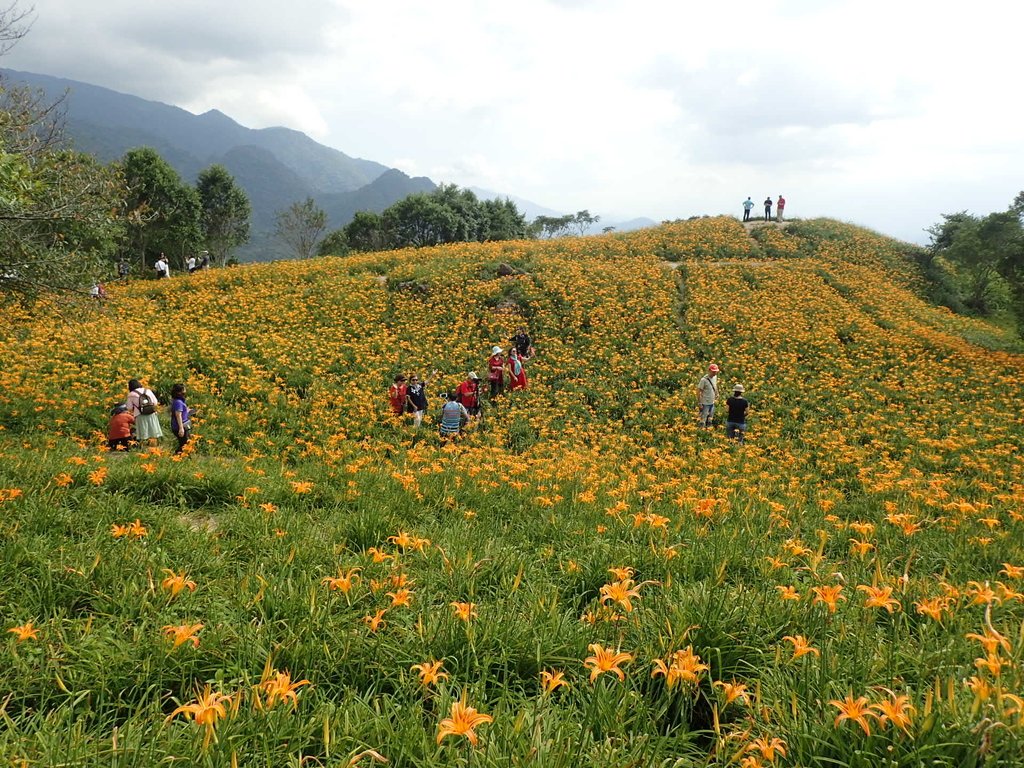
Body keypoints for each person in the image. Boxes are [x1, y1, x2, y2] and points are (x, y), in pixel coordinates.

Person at [126, 378, 162, 446]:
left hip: (140, 415)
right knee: (153, 432)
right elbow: (155, 402)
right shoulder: (147, 390)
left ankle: (144, 449)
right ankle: (154, 447)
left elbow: (129, 407)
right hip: (151, 413)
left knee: (143, 434)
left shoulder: (131, 394)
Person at [170, 383, 191, 454]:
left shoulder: (178, 401)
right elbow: (178, 415)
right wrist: (181, 428)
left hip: (181, 425)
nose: (185, 391)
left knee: (184, 444)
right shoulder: (178, 402)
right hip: (179, 426)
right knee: (184, 445)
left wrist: (188, 411)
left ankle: (180, 457)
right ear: (179, 392)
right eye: (183, 389)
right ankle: (177, 456)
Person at [696, 364, 720, 428]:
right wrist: (700, 403)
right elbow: (698, 391)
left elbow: (715, 385)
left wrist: (717, 393)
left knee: (710, 418)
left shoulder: (715, 377)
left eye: (716, 371)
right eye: (713, 371)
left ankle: (709, 431)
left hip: (712, 402)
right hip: (705, 403)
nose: (715, 373)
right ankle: (701, 431)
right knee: (703, 419)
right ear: (709, 370)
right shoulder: (703, 380)